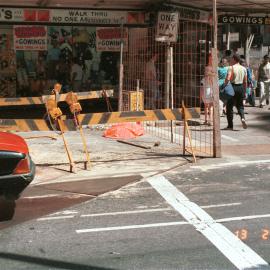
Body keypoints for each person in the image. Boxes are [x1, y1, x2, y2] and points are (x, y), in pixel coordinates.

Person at [224, 54, 248, 130]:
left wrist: (224, 85)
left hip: (233, 87)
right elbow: (245, 81)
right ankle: (243, 118)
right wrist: (244, 91)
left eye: (231, 59)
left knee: (229, 107)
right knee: (240, 105)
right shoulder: (244, 68)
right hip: (241, 87)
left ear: (234, 59)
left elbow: (228, 78)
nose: (230, 60)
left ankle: (230, 126)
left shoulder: (231, 68)